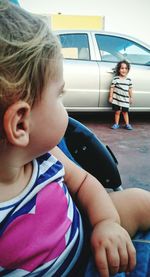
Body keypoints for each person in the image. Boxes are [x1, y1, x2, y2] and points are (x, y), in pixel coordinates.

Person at [1, 1, 150, 276]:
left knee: (141, 200)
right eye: (59, 96)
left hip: (85, 234)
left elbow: (83, 183)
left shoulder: (44, 156)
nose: (64, 107)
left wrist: (106, 222)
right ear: (20, 123)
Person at [109, 60, 133, 130]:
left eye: (126, 68)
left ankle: (127, 124)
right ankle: (116, 124)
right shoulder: (115, 79)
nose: (124, 70)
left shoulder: (129, 80)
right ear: (119, 69)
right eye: (122, 68)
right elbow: (112, 88)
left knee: (125, 112)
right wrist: (110, 97)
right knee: (117, 112)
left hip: (125, 99)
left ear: (128, 70)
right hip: (117, 99)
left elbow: (130, 89)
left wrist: (131, 97)